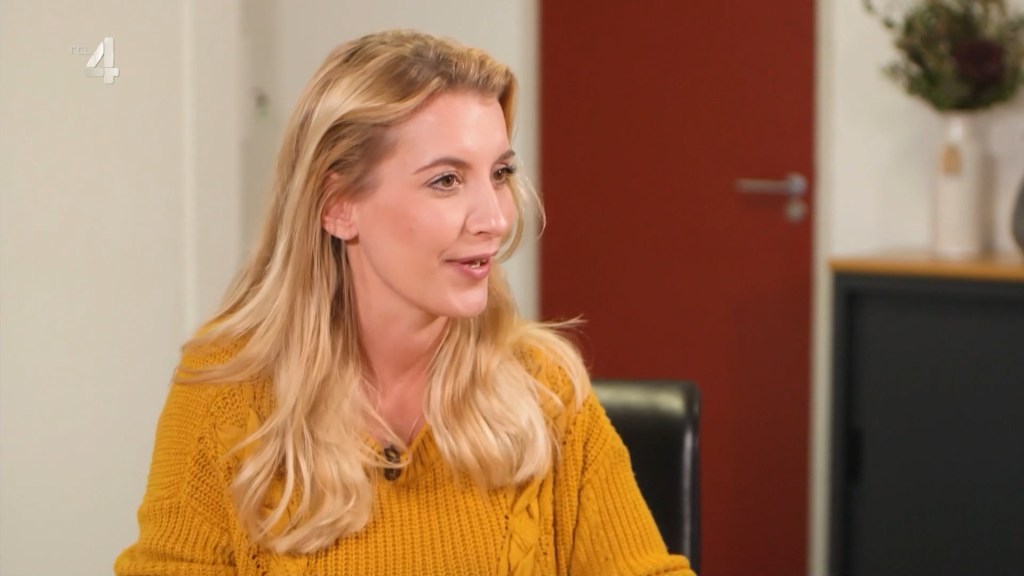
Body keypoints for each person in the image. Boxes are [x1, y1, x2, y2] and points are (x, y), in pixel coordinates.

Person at [114, 29, 696, 576]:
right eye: (446, 181)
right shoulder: (226, 389)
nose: (495, 219)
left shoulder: (545, 392)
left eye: (499, 173)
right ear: (338, 205)